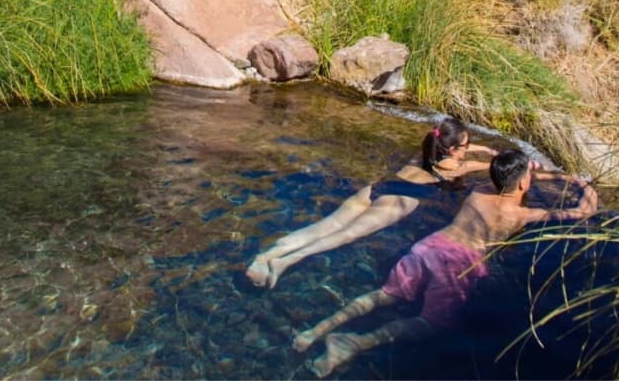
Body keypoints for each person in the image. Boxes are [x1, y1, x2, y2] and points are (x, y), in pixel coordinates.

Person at [292, 149, 598, 378]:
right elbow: (580, 212)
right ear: (522, 185)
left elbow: (510, 177)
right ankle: (354, 343)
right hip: (457, 265)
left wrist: (539, 173)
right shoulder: (517, 214)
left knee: (383, 295)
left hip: (429, 247)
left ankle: (317, 330)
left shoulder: (481, 190)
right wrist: (583, 186)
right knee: (432, 324)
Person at [245, 116, 498, 289]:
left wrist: (479, 147)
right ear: (452, 149)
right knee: (345, 235)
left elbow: (455, 145)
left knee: (327, 225)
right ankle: (284, 262)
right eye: (465, 145)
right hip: (401, 199)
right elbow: (492, 168)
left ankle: (266, 256)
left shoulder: (425, 149)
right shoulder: (455, 165)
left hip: (379, 187)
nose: (468, 148)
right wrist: (491, 156)